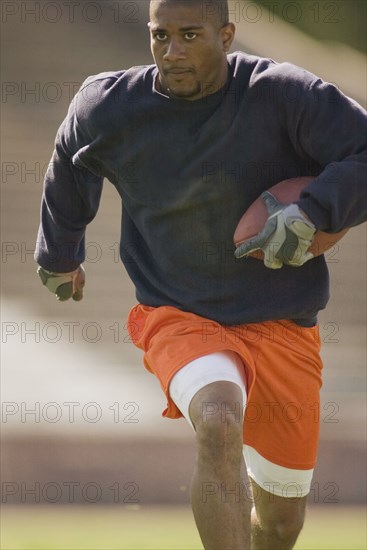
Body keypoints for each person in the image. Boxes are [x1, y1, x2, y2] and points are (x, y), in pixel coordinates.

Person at [35, 0, 367, 548]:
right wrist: (60, 253)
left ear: (228, 35)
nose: (172, 51)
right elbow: (70, 154)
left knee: (282, 523)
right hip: (177, 314)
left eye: (190, 35)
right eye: (160, 36)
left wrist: (315, 210)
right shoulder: (111, 105)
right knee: (217, 419)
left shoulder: (283, 93)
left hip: (282, 321)